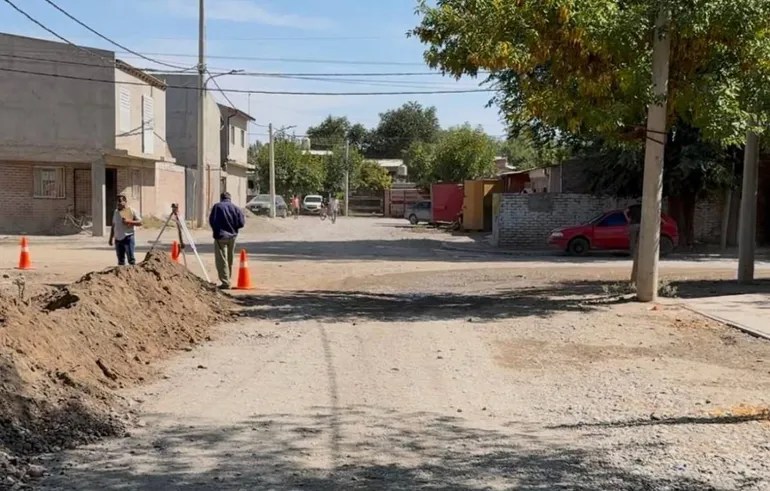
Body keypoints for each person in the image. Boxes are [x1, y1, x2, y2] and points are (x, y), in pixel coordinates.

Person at [208, 192, 245, 289]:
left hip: (220, 236)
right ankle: (228, 278)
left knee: (221, 259)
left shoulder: (217, 207)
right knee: (230, 258)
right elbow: (241, 223)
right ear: (230, 198)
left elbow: (212, 220)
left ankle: (225, 282)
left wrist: (216, 229)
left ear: (221, 198)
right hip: (232, 236)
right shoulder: (236, 208)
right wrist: (233, 228)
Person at [108, 194, 142, 266]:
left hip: (128, 238)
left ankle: (132, 272)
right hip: (118, 239)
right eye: (117, 201)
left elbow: (140, 222)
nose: (118, 203)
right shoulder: (116, 212)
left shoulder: (131, 211)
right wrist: (111, 238)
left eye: (120, 201)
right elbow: (113, 226)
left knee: (131, 260)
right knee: (121, 261)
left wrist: (129, 221)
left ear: (125, 201)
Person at [625, 203, 642, 282]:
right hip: (641, 224)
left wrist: (627, 218)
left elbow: (625, 211)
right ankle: (639, 255)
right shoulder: (643, 207)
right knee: (640, 241)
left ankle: (632, 255)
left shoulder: (631, 207)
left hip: (633, 224)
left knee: (632, 240)